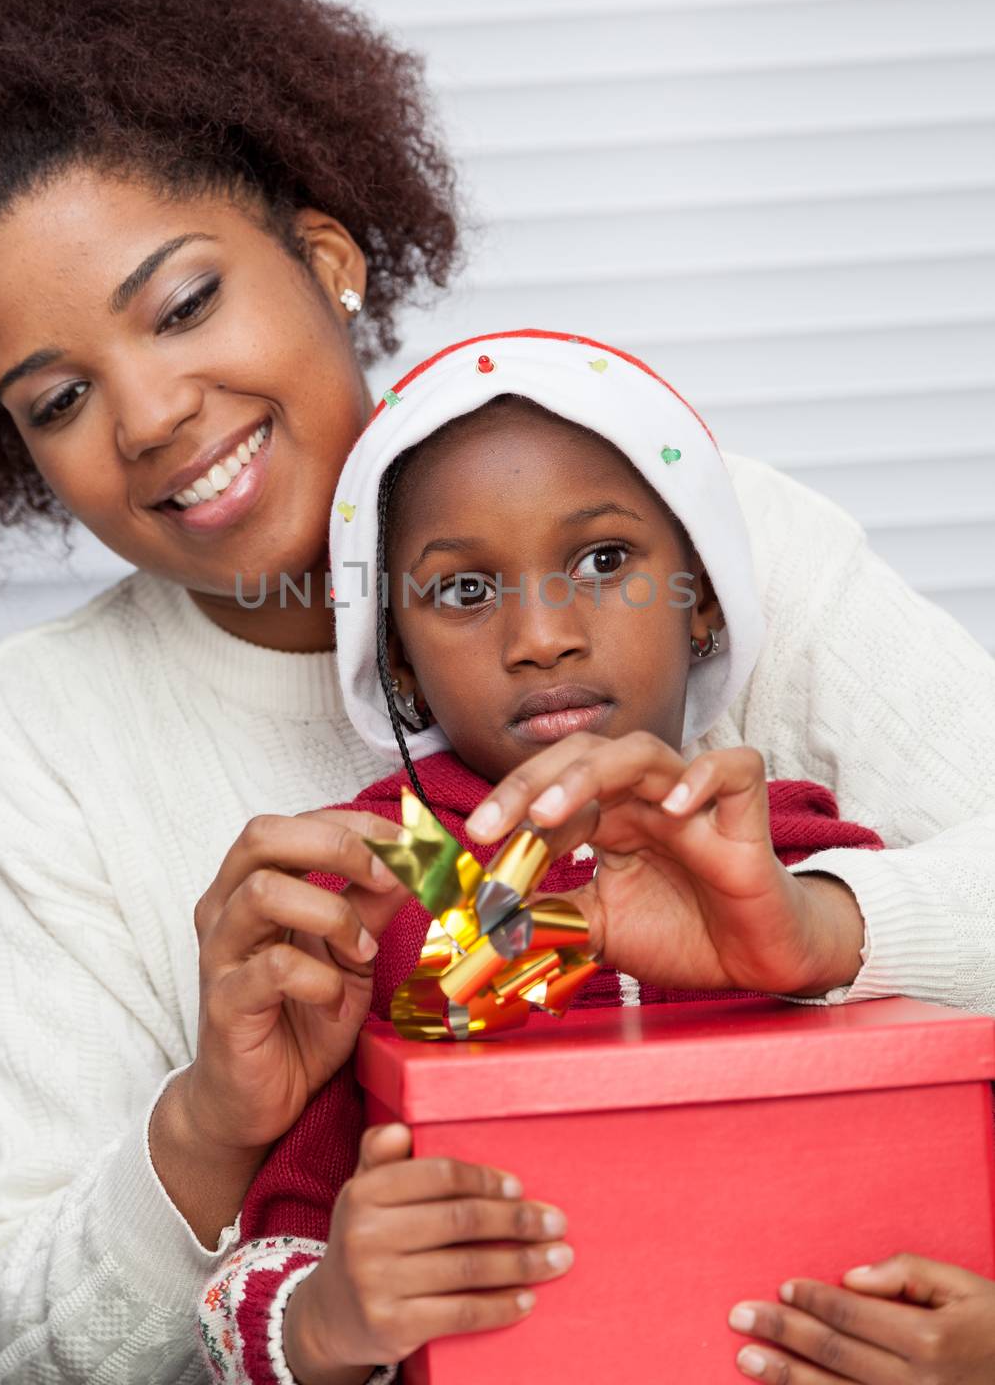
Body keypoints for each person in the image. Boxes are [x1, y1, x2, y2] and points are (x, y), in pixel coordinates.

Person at [0, 0, 992, 1385]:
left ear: (327, 253)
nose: (152, 416)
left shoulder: (713, 530)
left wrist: (813, 929)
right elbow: (14, 1351)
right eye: (57, 400)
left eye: (181, 305)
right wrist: (206, 1132)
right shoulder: (33, 742)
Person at [197, 331, 995, 1385]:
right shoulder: (369, 888)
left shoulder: (793, 850)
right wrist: (325, 1317)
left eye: (603, 560)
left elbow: (936, 1130)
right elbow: (273, 1242)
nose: (540, 634)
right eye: (464, 590)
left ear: (702, 597)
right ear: (395, 653)